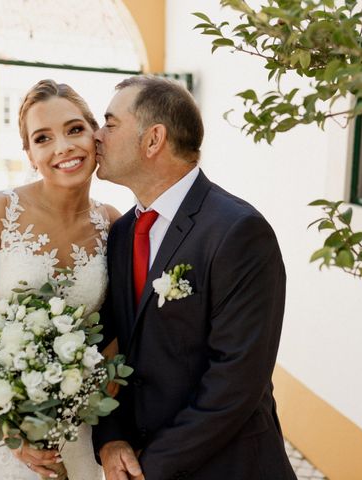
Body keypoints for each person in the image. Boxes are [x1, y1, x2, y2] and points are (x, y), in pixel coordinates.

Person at [92, 75, 297, 480]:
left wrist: (151, 467)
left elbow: (235, 382)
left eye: (110, 124)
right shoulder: (121, 233)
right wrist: (111, 437)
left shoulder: (238, 232)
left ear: (153, 140)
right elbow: (112, 347)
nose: (97, 136)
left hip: (229, 466)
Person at [0, 79, 120, 480]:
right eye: (43, 138)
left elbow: (113, 341)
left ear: (95, 135)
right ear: (30, 154)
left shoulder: (113, 223)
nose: (63, 147)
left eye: (74, 129)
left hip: (72, 430)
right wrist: (6, 429)